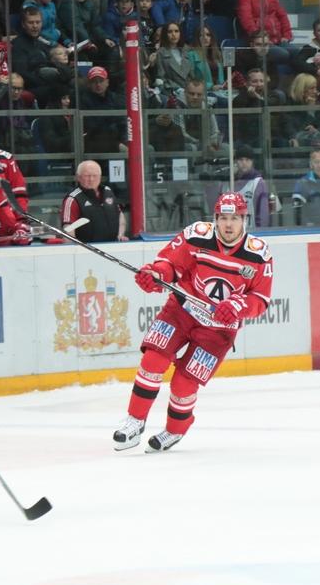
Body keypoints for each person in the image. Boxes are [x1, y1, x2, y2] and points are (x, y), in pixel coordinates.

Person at [112, 192, 274, 453]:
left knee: (183, 384)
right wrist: (156, 275)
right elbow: (169, 264)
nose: (228, 224)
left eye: (234, 218)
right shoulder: (196, 234)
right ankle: (135, 420)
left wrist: (237, 306)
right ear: (215, 219)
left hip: (219, 330)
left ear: (244, 220)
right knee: (154, 358)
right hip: (182, 309)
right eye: (223, 218)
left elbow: (260, 298)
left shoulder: (259, 254)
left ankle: (175, 430)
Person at [61, 159, 128, 242]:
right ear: (78, 177)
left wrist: (120, 235)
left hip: (113, 247)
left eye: (95, 175)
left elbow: (120, 215)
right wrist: (76, 250)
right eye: (87, 175)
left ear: (100, 177)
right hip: (87, 250)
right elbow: (68, 230)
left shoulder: (108, 191)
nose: (91, 179)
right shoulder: (72, 199)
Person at [233, 144, 270, 228]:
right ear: (235, 161)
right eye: (241, 160)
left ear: (252, 162)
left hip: (252, 233)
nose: (244, 163)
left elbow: (263, 214)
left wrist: (261, 233)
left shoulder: (258, 183)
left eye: (247, 160)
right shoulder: (230, 181)